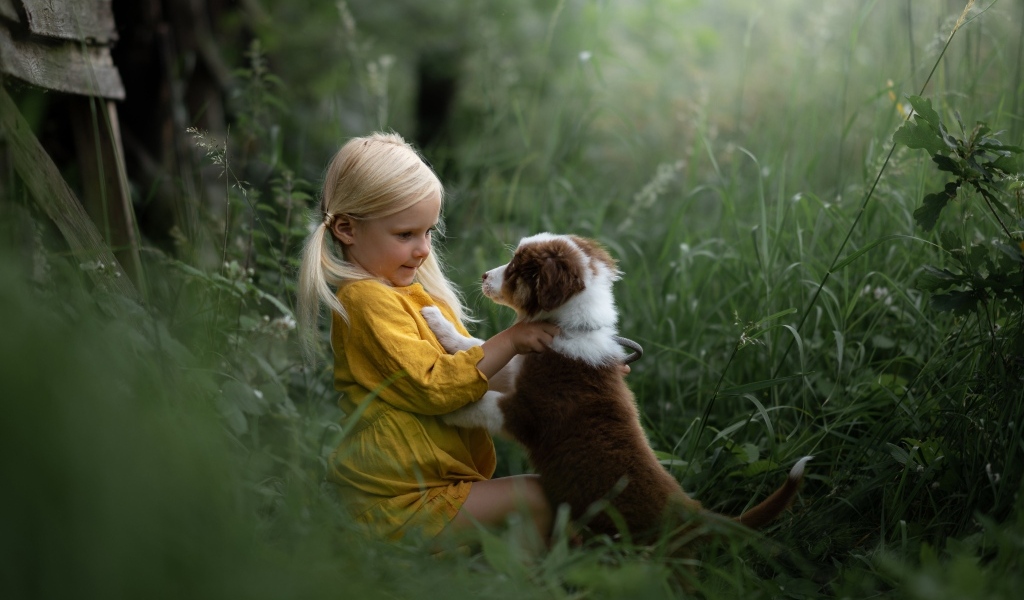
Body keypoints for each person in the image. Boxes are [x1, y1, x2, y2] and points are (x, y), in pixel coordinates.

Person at [297, 132, 559, 544]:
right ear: (347, 229)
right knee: (540, 496)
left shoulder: (409, 297)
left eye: (428, 233)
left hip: (430, 488)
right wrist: (511, 339)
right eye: (405, 235)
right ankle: (527, 587)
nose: (422, 249)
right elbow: (438, 384)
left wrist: (573, 370)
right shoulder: (366, 300)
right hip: (395, 505)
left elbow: (475, 375)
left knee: (552, 498)